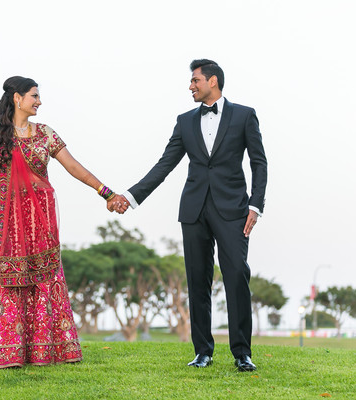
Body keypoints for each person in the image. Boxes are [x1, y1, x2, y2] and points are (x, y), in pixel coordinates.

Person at [0, 76, 120, 369]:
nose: (39, 102)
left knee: (44, 274)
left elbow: (73, 166)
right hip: (9, 220)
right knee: (10, 275)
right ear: (17, 98)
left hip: (41, 216)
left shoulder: (45, 134)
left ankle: (46, 351)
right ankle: (7, 352)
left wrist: (104, 190)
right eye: (34, 96)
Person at [110, 59, 267, 371]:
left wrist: (255, 205)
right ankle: (202, 352)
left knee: (236, 275)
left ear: (212, 81)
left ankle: (242, 354)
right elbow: (165, 164)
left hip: (234, 209)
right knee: (197, 280)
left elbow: (259, 162)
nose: (191, 86)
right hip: (193, 209)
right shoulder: (184, 121)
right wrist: (131, 195)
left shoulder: (245, 115)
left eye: (195, 80)